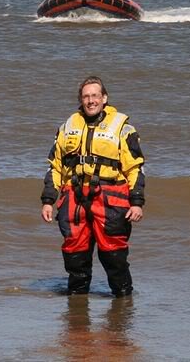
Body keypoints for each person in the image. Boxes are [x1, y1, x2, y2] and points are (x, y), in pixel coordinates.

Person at [40, 76, 145, 297]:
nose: (90, 101)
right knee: (75, 255)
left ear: (104, 98)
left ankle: (123, 305)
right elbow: (55, 167)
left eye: (95, 96)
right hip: (74, 199)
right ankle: (77, 309)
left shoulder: (123, 128)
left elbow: (135, 168)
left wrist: (137, 203)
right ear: (81, 99)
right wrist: (48, 200)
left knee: (113, 255)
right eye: (86, 96)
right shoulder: (67, 127)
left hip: (110, 199)